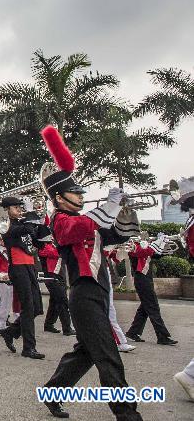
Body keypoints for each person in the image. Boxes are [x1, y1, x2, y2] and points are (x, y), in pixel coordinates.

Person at [39, 125, 142, 421]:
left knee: (86, 352)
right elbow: (83, 227)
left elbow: (116, 234)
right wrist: (108, 207)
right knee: (108, 357)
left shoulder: (85, 220)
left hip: (99, 291)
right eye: (75, 192)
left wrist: (124, 209)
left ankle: (53, 391)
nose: (81, 196)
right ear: (59, 198)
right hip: (83, 295)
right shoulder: (61, 221)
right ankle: (128, 415)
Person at [0, 196, 45, 359]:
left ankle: (10, 331)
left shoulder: (23, 223)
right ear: (6, 210)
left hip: (29, 265)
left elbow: (39, 242)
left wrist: (42, 225)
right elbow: (23, 230)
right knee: (28, 307)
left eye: (21, 207)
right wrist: (31, 213)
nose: (20, 210)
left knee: (37, 307)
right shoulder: (5, 225)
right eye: (16, 207)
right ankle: (28, 348)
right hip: (18, 267)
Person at [125, 234, 177, 345]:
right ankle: (162, 336)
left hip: (146, 279)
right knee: (153, 307)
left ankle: (133, 332)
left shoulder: (145, 246)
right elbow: (144, 252)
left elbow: (156, 254)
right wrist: (156, 242)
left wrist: (163, 243)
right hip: (141, 279)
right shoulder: (133, 246)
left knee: (145, 308)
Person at [39, 239, 73, 336]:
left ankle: (49, 324)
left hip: (58, 275)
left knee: (55, 301)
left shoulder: (53, 245)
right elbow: (55, 253)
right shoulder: (44, 246)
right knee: (62, 301)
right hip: (51, 276)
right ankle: (67, 328)